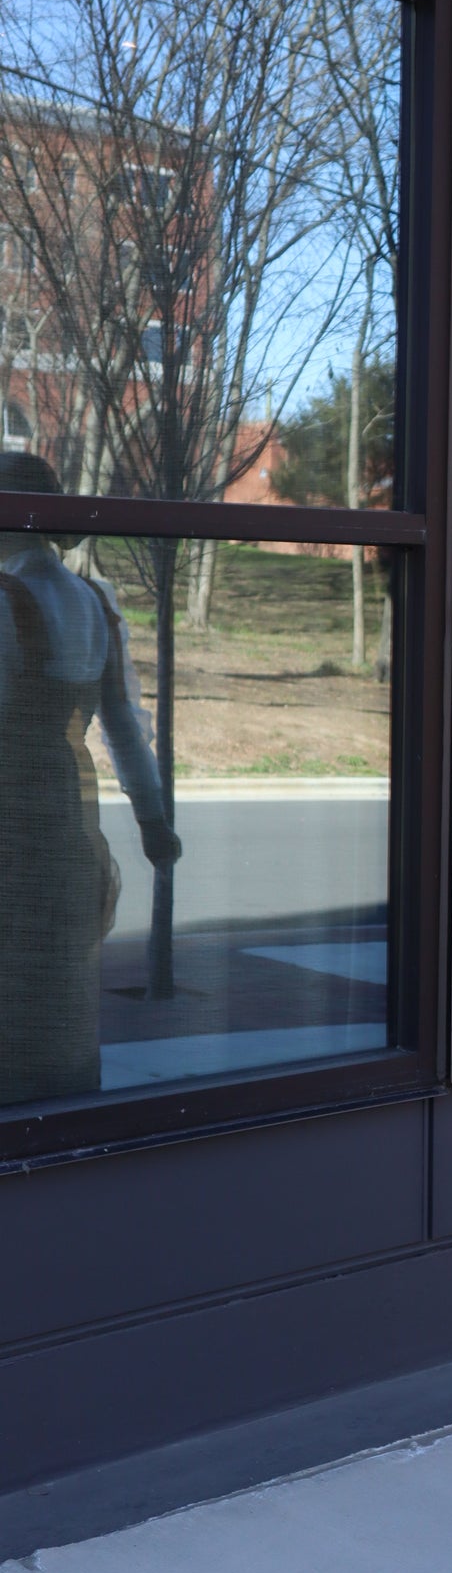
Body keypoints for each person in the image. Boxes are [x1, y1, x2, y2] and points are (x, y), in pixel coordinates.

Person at [0, 452, 181, 1101]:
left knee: (15, 985)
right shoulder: (92, 601)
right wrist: (152, 820)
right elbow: (125, 728)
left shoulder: (5, 601)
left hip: (14, 823)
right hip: (76, 822)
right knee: (64, 984)